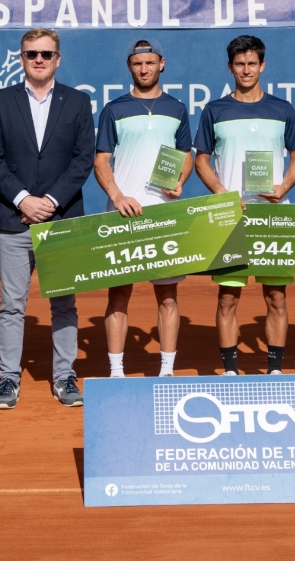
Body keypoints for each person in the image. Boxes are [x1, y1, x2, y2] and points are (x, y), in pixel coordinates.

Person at [0, 27, 95, 408]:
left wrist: (48, 200)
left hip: (61, 219)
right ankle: (8, 379)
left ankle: (65, 376)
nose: (38, 59)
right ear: (21, 59)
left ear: (57, 59)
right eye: (31, 53)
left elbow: (84, 159)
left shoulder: (79, 102)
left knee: (64, 303)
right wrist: (22, 200)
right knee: (12, 304)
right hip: (14, 219)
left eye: (46, 54)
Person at [194, 35, 295, 376]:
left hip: (273, 215)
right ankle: (230, 370)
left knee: (277, 298)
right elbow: (201, 161)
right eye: (239, 64)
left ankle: (274, 369)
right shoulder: (214, 110)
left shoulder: (282, 109)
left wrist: (284, 185)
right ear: (230, 67)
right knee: (227, 299)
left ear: (262, 66)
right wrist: (222, 193)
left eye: (252, 63)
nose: (246, 70)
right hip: (231, 216)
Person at [94, 39, 193, 378]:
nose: (144, 69)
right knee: (119, 296)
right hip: (123, 214)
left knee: (167, 296)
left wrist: (180, 181)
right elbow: (101, 161)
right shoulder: (113, 109)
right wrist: (118, 196)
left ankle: (166, 369)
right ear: (129, 66)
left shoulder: (177, 108)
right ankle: (117, 371)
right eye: (138, 64)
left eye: (150, 63)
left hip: (164, 215)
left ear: (161, 64)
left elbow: (186, 155)